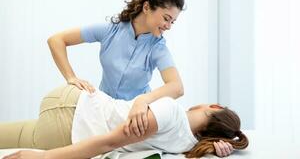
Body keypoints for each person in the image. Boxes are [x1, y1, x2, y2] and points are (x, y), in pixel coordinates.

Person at [47, 0, 185, 137]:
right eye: (166, 18)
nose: (168, 26)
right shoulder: (110, 30)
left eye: (172, 22)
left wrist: (143, 100)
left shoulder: (158, 47)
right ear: (147, 7)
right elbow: (56, 40)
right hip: (101, 113)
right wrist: (71, 77)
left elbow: (177, 87)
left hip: (135, 118)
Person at [0, 85, 249, 159]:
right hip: (69, 122)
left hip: (71, 112)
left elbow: (108, 142)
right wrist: (217, 148)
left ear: (215, 107)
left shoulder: (170, 111)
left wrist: (40, 158)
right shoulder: (184, 145)